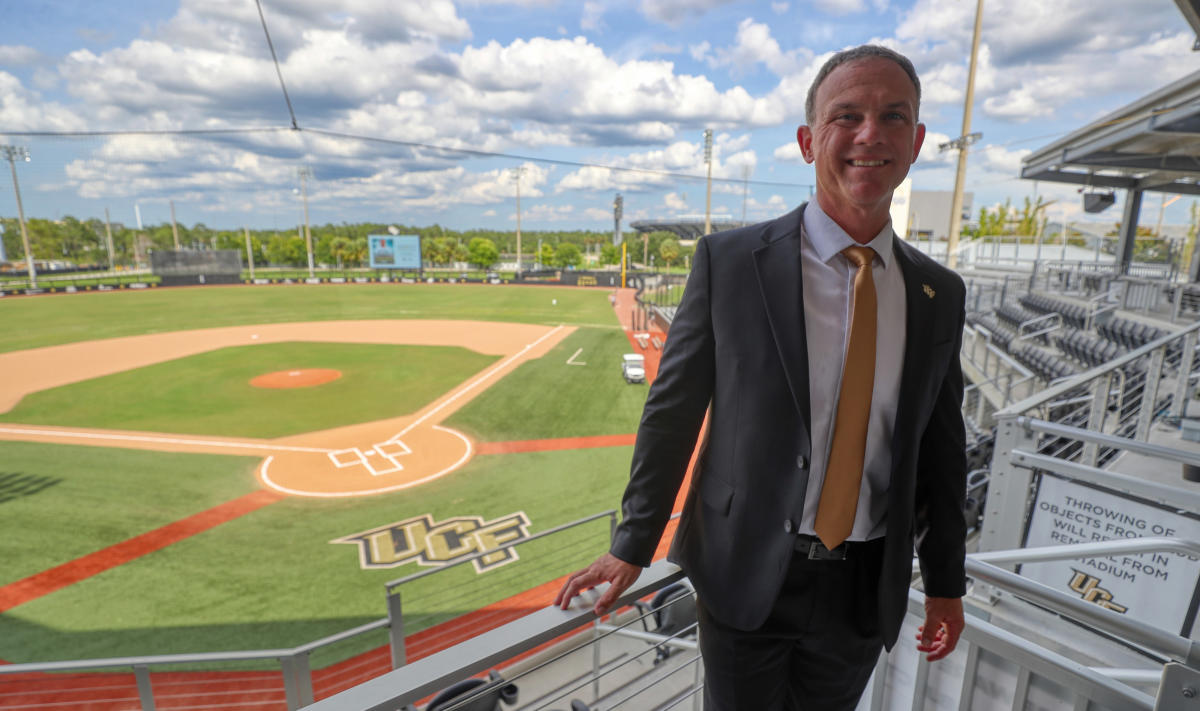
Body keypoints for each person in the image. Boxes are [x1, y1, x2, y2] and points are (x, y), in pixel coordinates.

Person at [554, 44, 968, 710]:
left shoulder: (938, 292)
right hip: (745, 573)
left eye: (894, 117)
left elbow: (944, 453)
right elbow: (673, 411)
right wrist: (633, 542)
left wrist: (948, 581)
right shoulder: (731, 262)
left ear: (916, 141)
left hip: (864, 588)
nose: (870, 134)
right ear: (809, 141)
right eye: (847, 115)